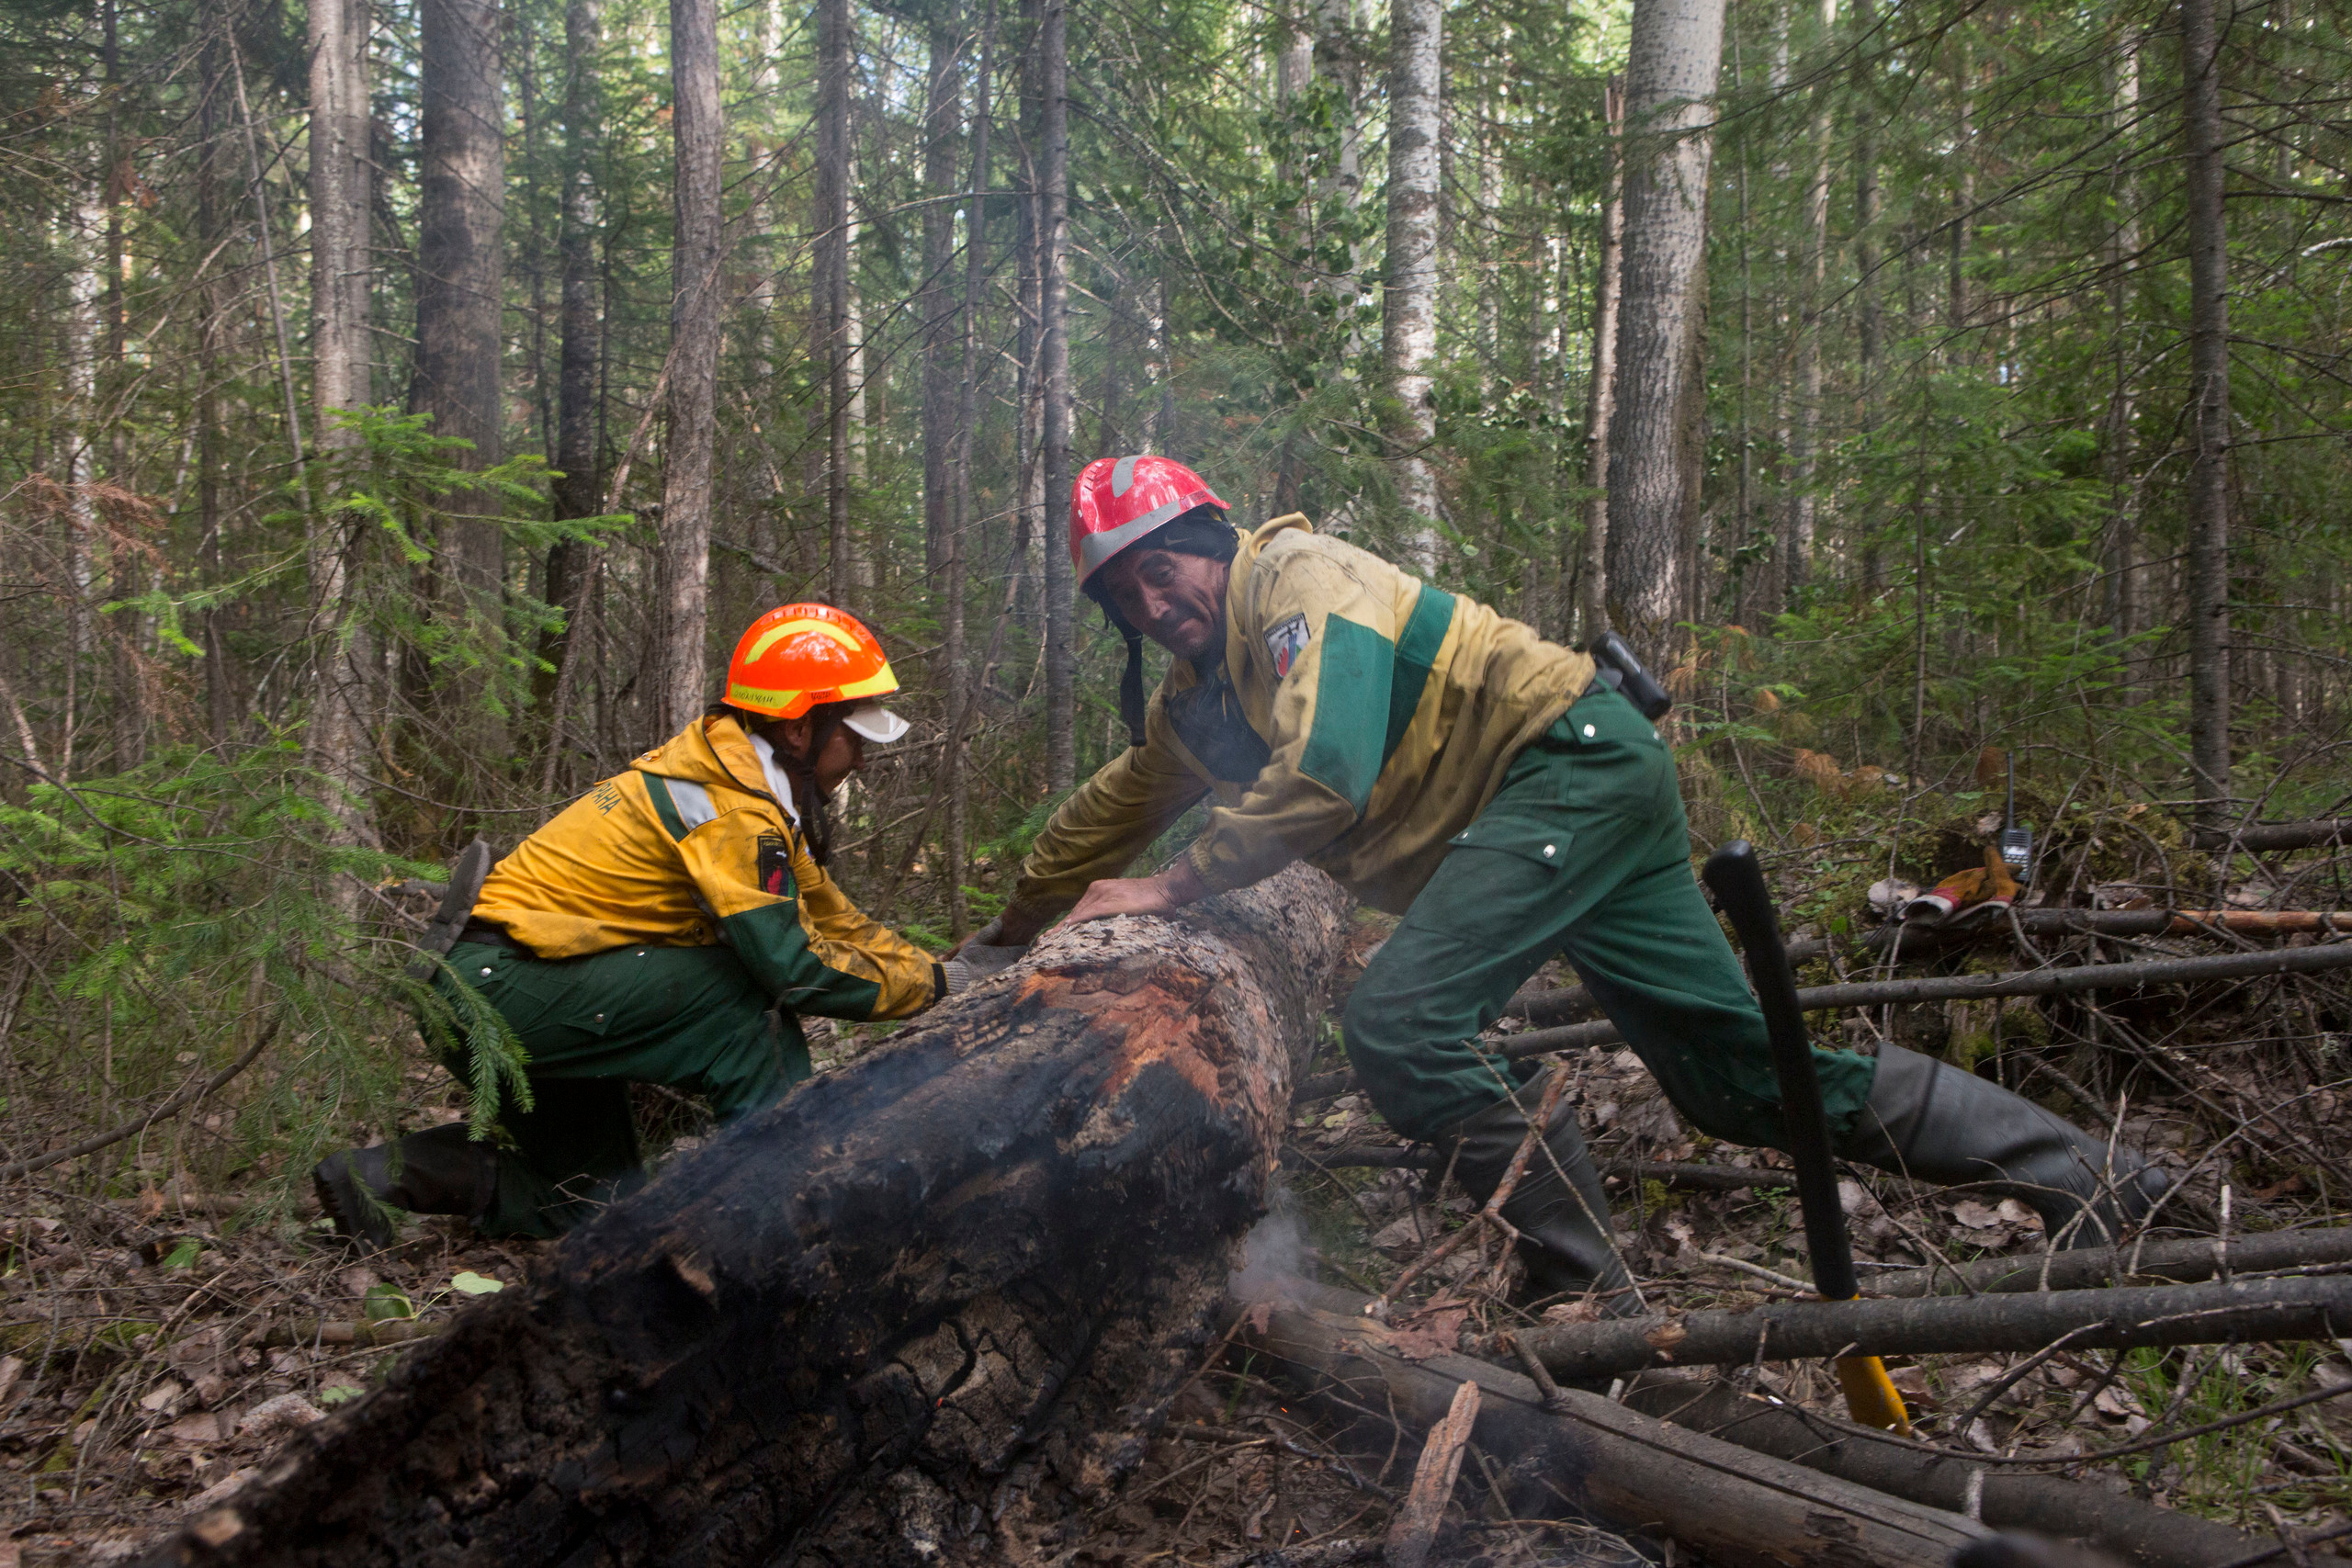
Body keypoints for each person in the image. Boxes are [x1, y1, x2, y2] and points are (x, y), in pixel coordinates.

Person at [962, 455, 2169, 1307]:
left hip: (1564, 775)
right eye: (1127, 593)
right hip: (1571, 790)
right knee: (1736, 1079)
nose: (1156, 600)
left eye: (1165, 566)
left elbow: (1325, 772)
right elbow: (1111, 805)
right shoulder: (1200, 694)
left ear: (1211, 537)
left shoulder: (1301, 581)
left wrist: (1169, 894)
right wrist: (1008, 933)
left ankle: (1587, 1289)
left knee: (1400, 1019)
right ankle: (2100, 1182)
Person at [315, 604, 967, 1246]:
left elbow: (830, 914)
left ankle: (378, 1176)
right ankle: (778, 1219)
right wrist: (930, 993)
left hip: (497, 989)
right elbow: (792, 970)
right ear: (799, 731)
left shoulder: (738, 781)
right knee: (744, 1008)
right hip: (501, 989)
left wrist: (938, 971)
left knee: (592, 1202)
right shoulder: (728, 808)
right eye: (853, 736)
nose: (858, 758)